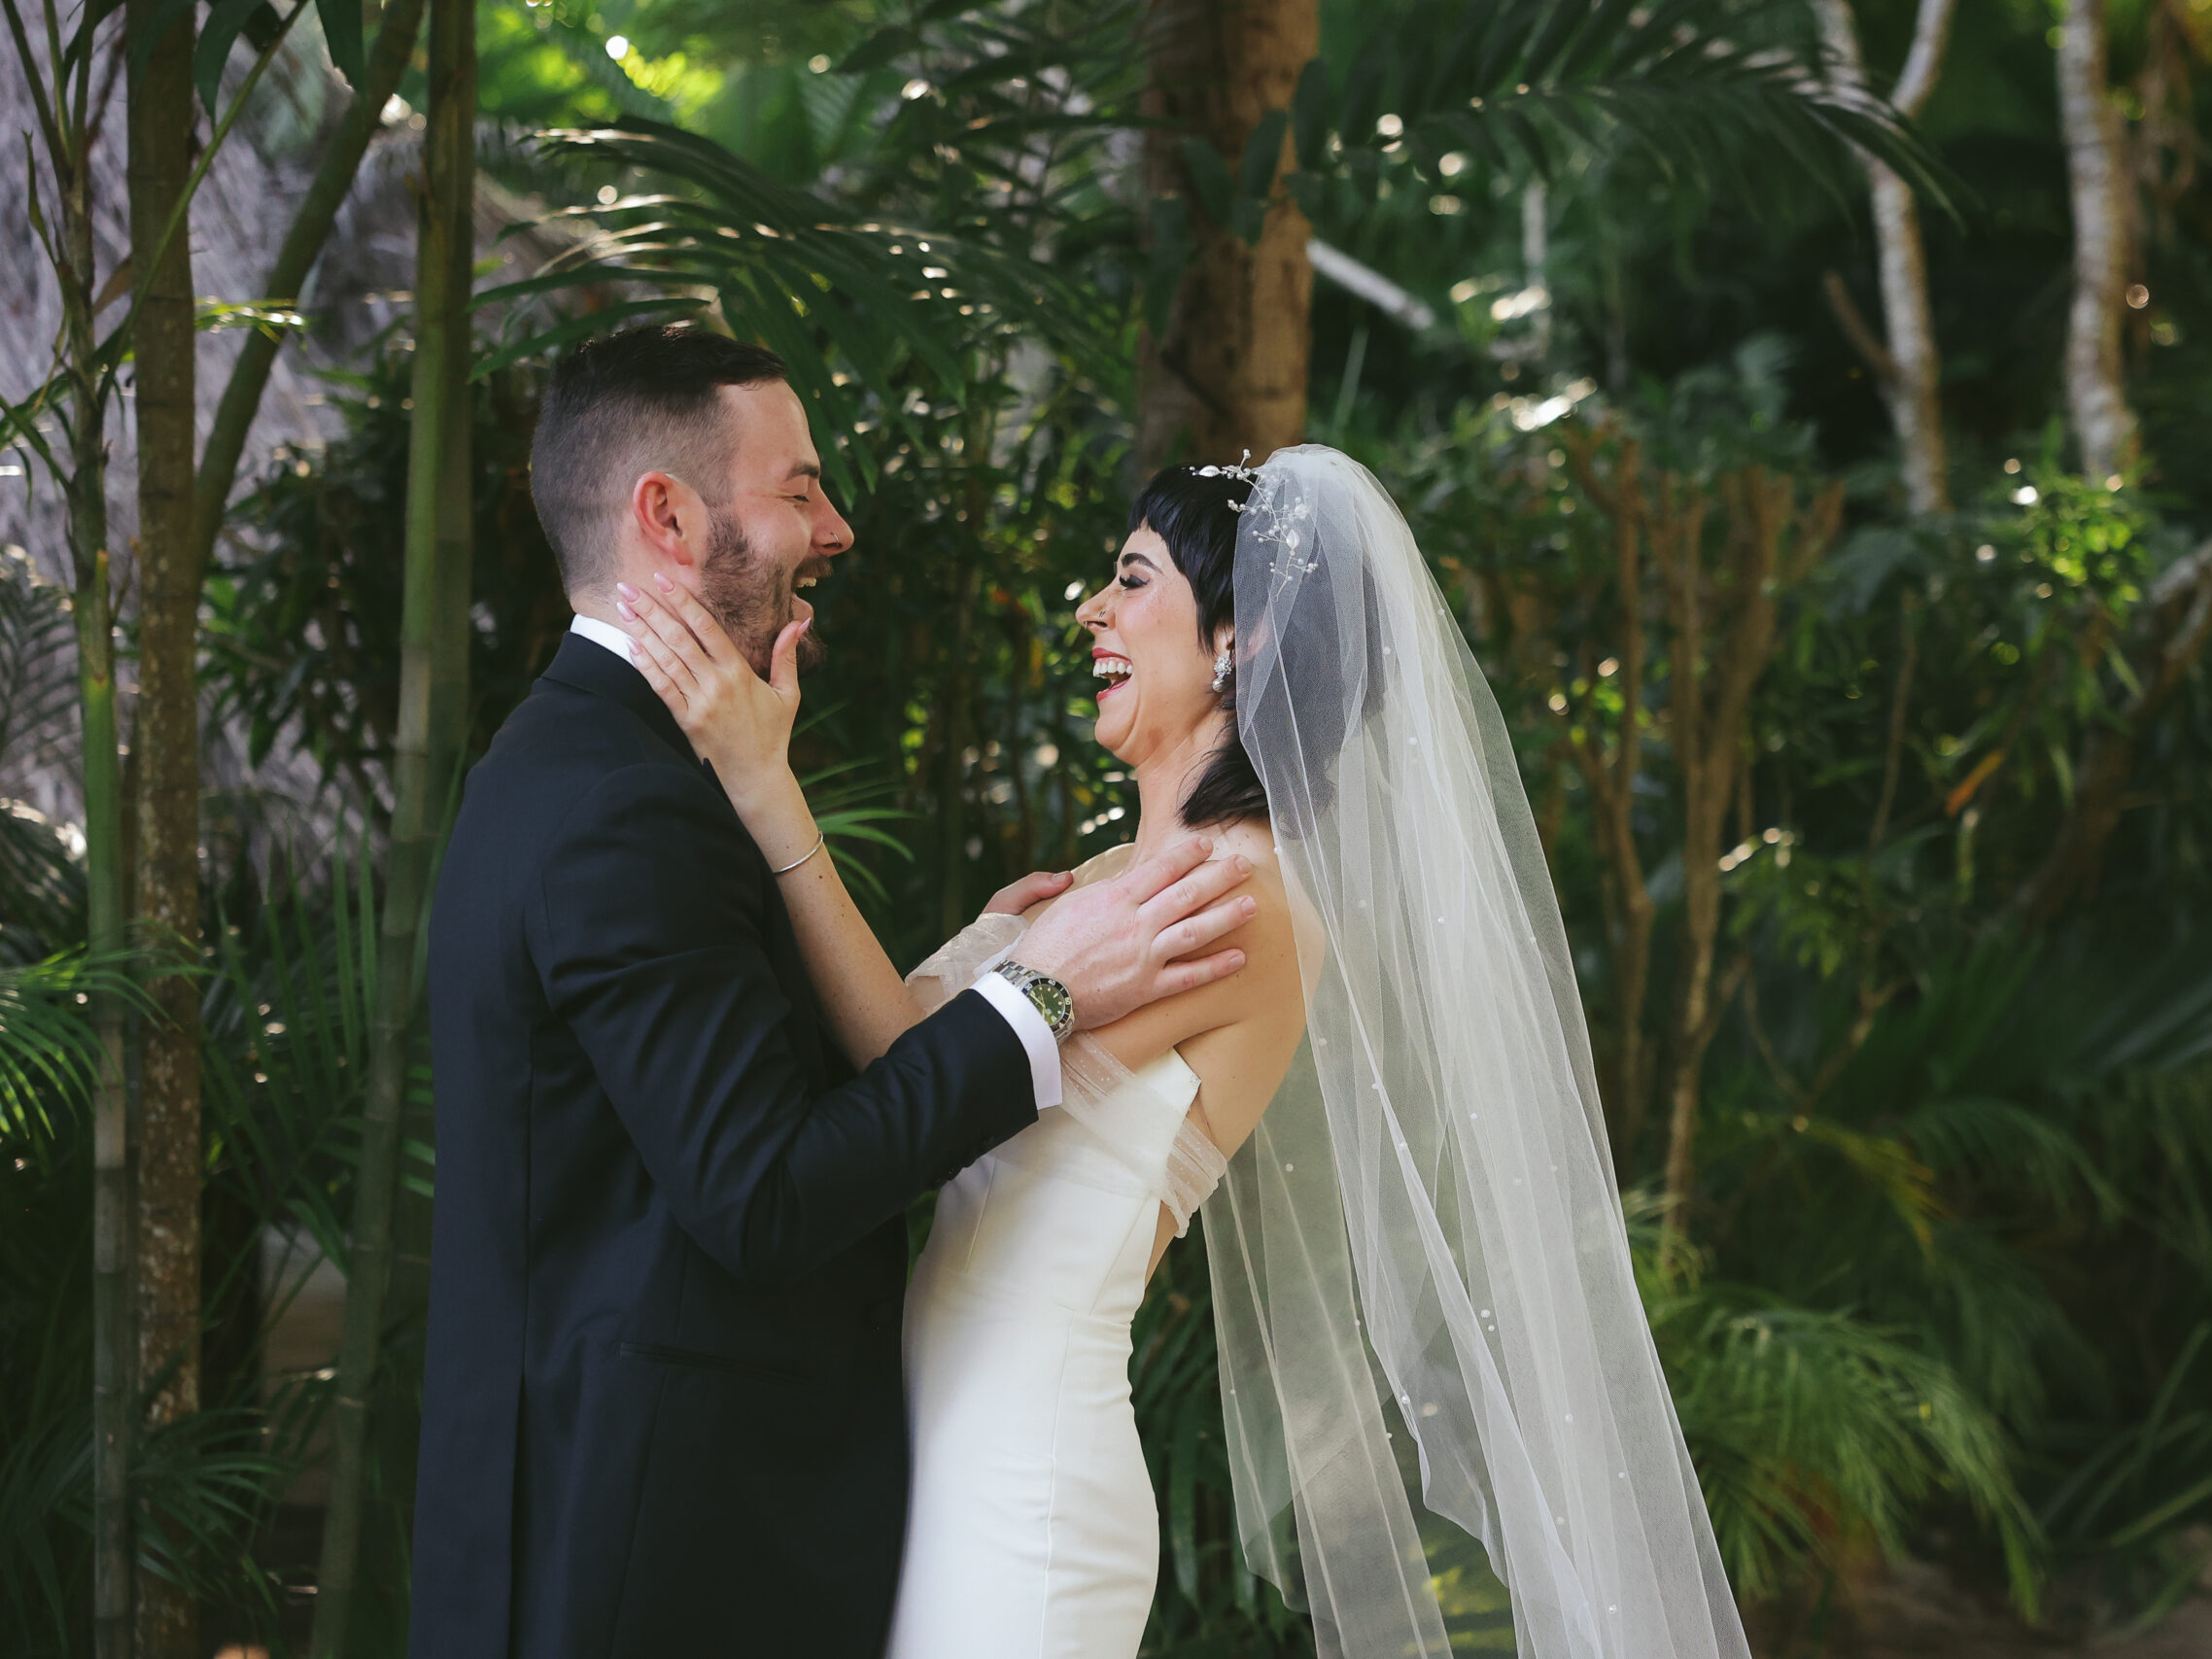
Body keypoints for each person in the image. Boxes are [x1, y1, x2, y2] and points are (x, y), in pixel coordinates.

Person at [619, 443, 1752, 1659]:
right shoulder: (1110, 889)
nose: (1094, 612)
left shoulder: (1237, 903)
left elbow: (907, 1064)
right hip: (937, 1452)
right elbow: (888, 1074)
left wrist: (764, 782)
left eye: (1133, 577)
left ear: (1237, 642)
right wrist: (1015, 941)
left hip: (1026, 1486)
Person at [407, 323, 1259, 1659]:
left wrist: (983, 961)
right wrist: (1037, 994)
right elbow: (765, 1189)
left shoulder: (594, 760)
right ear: (669, 516)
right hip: (647, 1550)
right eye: (800, 488)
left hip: (721, 1515)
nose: (839, 528)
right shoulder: (625, 801)